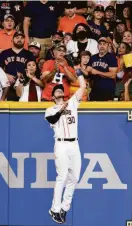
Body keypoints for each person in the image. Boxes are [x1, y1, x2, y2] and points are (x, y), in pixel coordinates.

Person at [45, 70, 86, 224]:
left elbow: (82, 86)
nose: (59, 91)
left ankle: (64, 208)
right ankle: (54, 209)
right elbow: (53, 119)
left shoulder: (73, 103)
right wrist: (62, 108)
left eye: (61, 89)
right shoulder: (50, 109)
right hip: (61, 144)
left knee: (74, 177)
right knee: (62, 177)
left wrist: (79, 71)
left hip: (74, 144)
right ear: (53, 96)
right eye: (56, 90)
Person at [0, 31, 35, 101]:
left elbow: (34, 70)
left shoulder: (29, 54)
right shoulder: (4, 53)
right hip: (7, 86)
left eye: (22, 38)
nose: (19, 40)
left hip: (24, 86)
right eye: (17, 38)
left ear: (24, 40)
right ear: (12, 40)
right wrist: (6, 75)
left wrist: (24, 77)